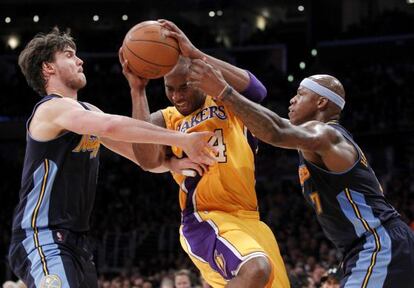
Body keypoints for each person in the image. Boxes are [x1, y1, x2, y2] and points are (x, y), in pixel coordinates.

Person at [8, 27, 216, 288]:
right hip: (42, 236)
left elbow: (140, 157)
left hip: (77, 241)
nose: (80, 60)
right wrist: (180, 139)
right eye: (70, 55)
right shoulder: (51, 108)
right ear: (48, 68)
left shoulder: (87, 112)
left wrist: (171, 163)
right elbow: (109, 126)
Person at [186, 63, 414, 287]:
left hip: (377, 242)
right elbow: (267, 123)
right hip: (367, 247)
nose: (292, 100)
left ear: (321, 102)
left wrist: (224, 91)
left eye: (300, 94)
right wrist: (197, 54)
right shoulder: (311, 138)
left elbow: (274, 130)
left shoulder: (326, 135)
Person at [122, 20, 290, 288]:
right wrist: (138, 90)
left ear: (200, 79)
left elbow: (258, 91)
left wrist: (195, 53)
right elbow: (146, 160)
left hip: (249, 216)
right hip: (205, 217)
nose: (176, 96)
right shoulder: (165, 119)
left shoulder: (228, 101)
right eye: (169, 88)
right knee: (256, 268)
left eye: (184, 86)